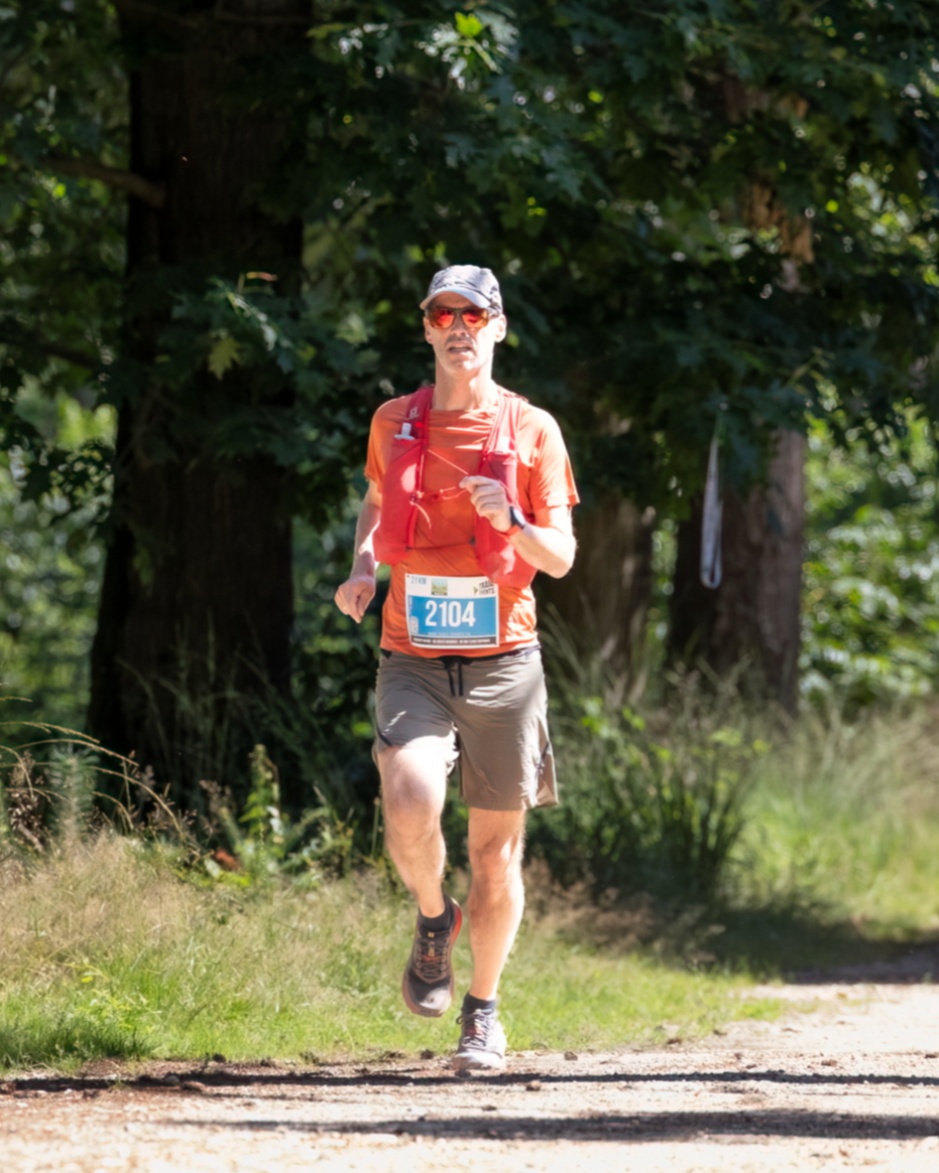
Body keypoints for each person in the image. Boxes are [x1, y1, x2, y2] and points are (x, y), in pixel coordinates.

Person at [334, 264, 578, 1072]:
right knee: (407, 798)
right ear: (427, 328)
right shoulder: (394, 421)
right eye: (444, 314)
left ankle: (482, 1011)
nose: (458, 327)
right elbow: (376, 501)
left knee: (495, 850)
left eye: (474, 315)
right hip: (412, 653)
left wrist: (507, 516)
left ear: (497, 329)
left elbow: (561, 557)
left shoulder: (532, 429)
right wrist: (365, 566)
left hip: (506, 660)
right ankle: (433, 919)